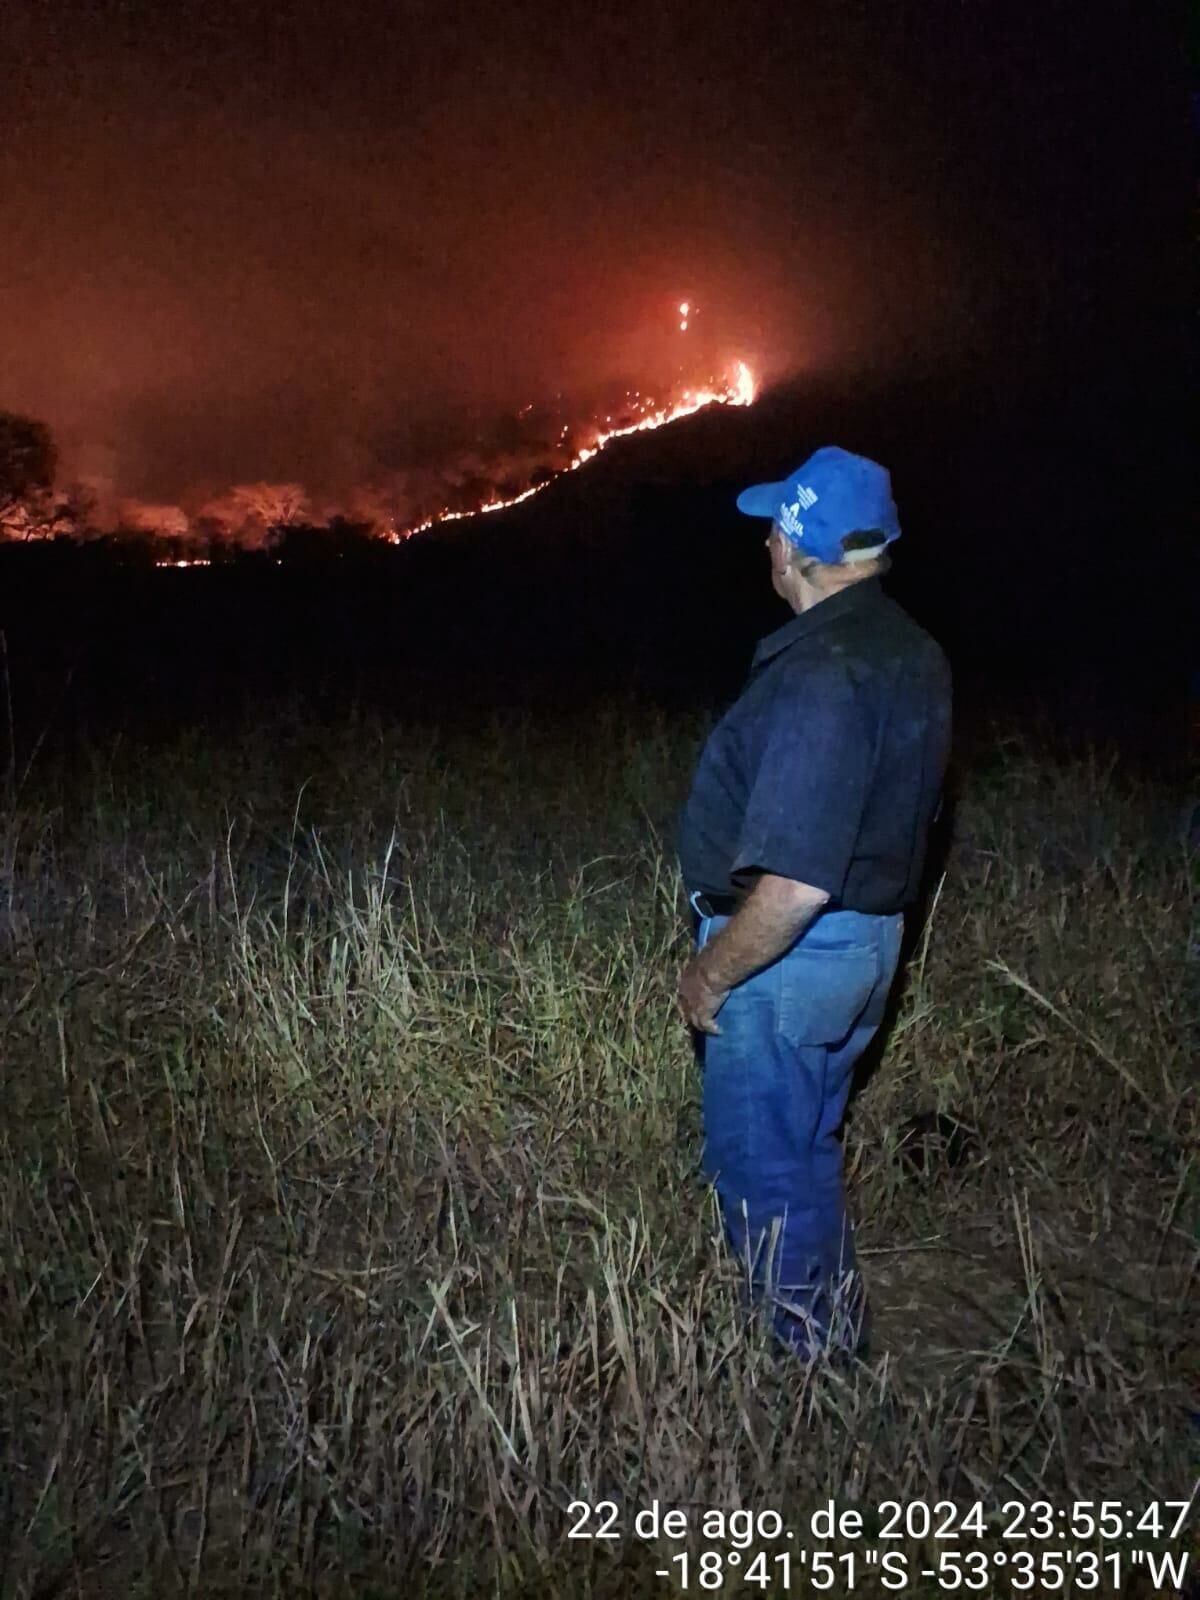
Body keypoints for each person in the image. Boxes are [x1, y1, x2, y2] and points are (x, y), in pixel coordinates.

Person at [676, 445, 952, 1359]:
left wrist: (711, 975)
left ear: (794, 549)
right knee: (806, 1149)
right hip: (866, 946)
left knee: (764, 1174)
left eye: (772, 529)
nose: (764, 545)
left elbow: (794, 883)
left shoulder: (822, 675)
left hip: (793, 962)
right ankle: (828, 1334)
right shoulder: (908, 650)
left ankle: (807, 1384)